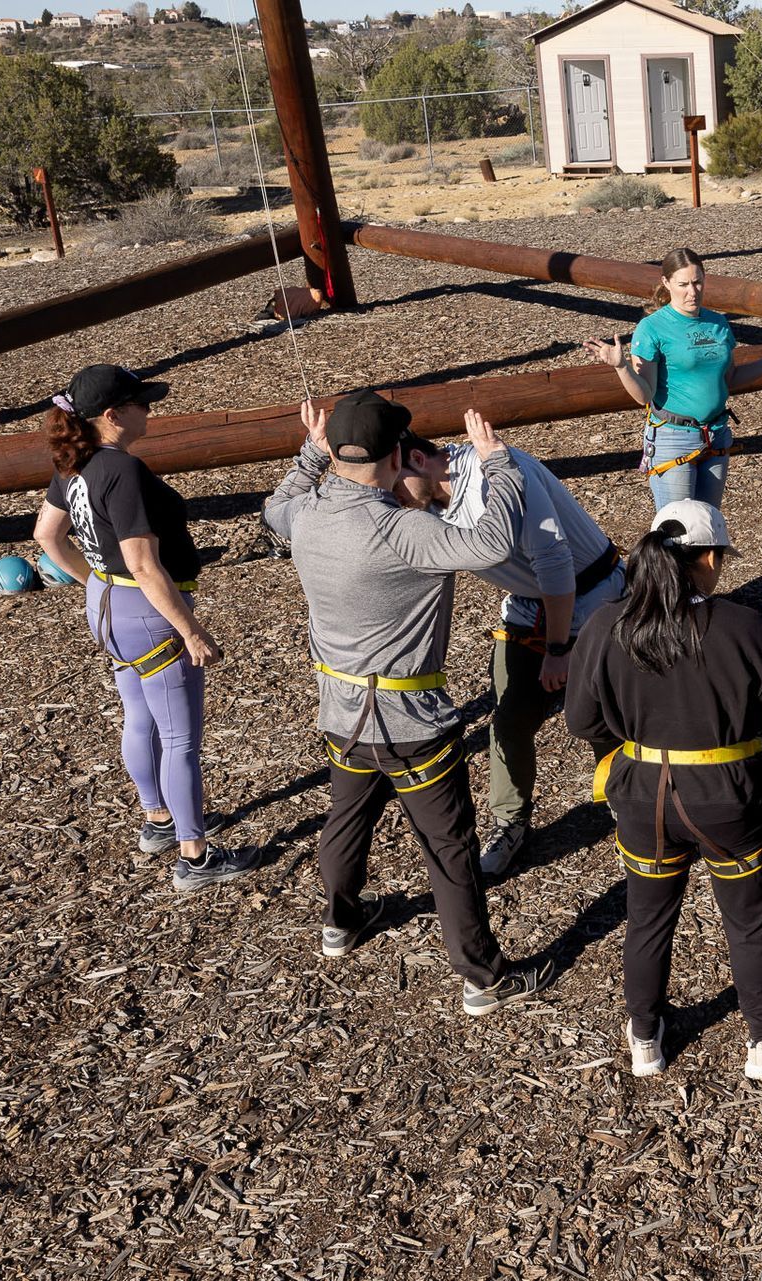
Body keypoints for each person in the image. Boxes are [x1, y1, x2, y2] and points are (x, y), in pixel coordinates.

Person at [262, 392, 539, 1017]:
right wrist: (498, 465)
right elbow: (492, 542)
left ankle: (341, 922)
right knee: (450, 848)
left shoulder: (305, 514)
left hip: (339, 711)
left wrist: (310, 453)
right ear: (396, 455)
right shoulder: (402, 531)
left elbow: (273, 506)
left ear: (336, 453)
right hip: (409, 725)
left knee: (347, 817)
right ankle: (483, 978)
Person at [565, 499, 762, 1082]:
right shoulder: (743, 627)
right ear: (706, 557)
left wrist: (630, 732)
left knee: (647, 916)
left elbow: (581, 721)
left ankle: (644, 1039)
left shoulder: (607, 624)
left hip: (642, 793)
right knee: (748, 920)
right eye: (721, 557)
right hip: (727, 795)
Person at [32, 364, 258, 892]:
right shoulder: (122, 471)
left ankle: (158, 821)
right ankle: (195, 858)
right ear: (112, 416)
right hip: (147, 613)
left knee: (139, 715)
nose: (150, 410)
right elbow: (144, 564)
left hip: (107, 608)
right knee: (180, 737)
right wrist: (191, 629)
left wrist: (96, 580)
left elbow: (47, 534)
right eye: (142, 403)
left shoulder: (76, 464)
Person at [395, 433, 626, 875]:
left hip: (595, 601)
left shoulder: (494, 472)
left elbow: (555, 563)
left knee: (604, 717)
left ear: (420, 460)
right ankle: (510, 822)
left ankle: (628, 806)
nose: (389, 495)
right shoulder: (422, 502)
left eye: (394, 480)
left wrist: (558, 650)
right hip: (526, 611)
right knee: (509, 722)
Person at [584, 248, 762, 509]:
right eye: (683, 284)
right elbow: (644, 395)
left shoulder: (718, 324)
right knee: (677, 530)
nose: (692, 292)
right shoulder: (652, 328)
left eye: (697, 282)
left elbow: (730, 379)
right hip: (673, 438)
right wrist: (621, 366)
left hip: (716, 434)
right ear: (666, 284)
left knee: (707, 522)